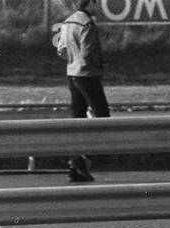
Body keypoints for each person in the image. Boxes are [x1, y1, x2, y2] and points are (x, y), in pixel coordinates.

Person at [56, 0, 109, 183]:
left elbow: (61, 50)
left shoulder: (68, 21)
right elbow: (88, 54)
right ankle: (86, 158)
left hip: (72, 73)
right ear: (90, 4)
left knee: (77, 118)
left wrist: (73, 59)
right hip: (87, 75)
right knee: (102, 115)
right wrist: (99, 66)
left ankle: (75, 162)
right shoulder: (87, 24)